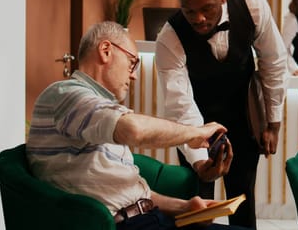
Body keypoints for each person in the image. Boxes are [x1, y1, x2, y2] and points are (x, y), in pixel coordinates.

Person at [26, 21, 248, 230]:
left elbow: (132, 192)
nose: (133, 76)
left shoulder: (98, 114)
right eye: (133, 63)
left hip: (148, 219)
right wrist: (194, 134)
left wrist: (186, 207)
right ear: (105, 50)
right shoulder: (66, 94)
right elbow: (134, 130)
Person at [155, 0, 289, 229]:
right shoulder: (169, 38)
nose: (199, 19)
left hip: (243, 118)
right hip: (196, 126)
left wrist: (272, 122)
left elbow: (273, 61)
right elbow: (180, 105)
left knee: (242, 199)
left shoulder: (251, 4)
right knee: (198, 209)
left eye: (207, 9)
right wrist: (203, 163)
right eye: (189, 11)